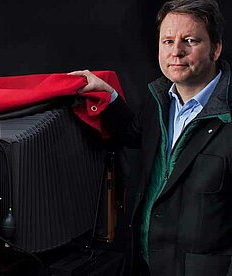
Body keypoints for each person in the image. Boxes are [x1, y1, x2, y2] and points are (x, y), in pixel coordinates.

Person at [70, 0, 231, 274]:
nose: (176, 52)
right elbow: (134, 137)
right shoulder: (158, 99)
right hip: (145, 264)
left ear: (215, 49)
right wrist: (107, 96)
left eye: (189, 40)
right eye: (167, 41)